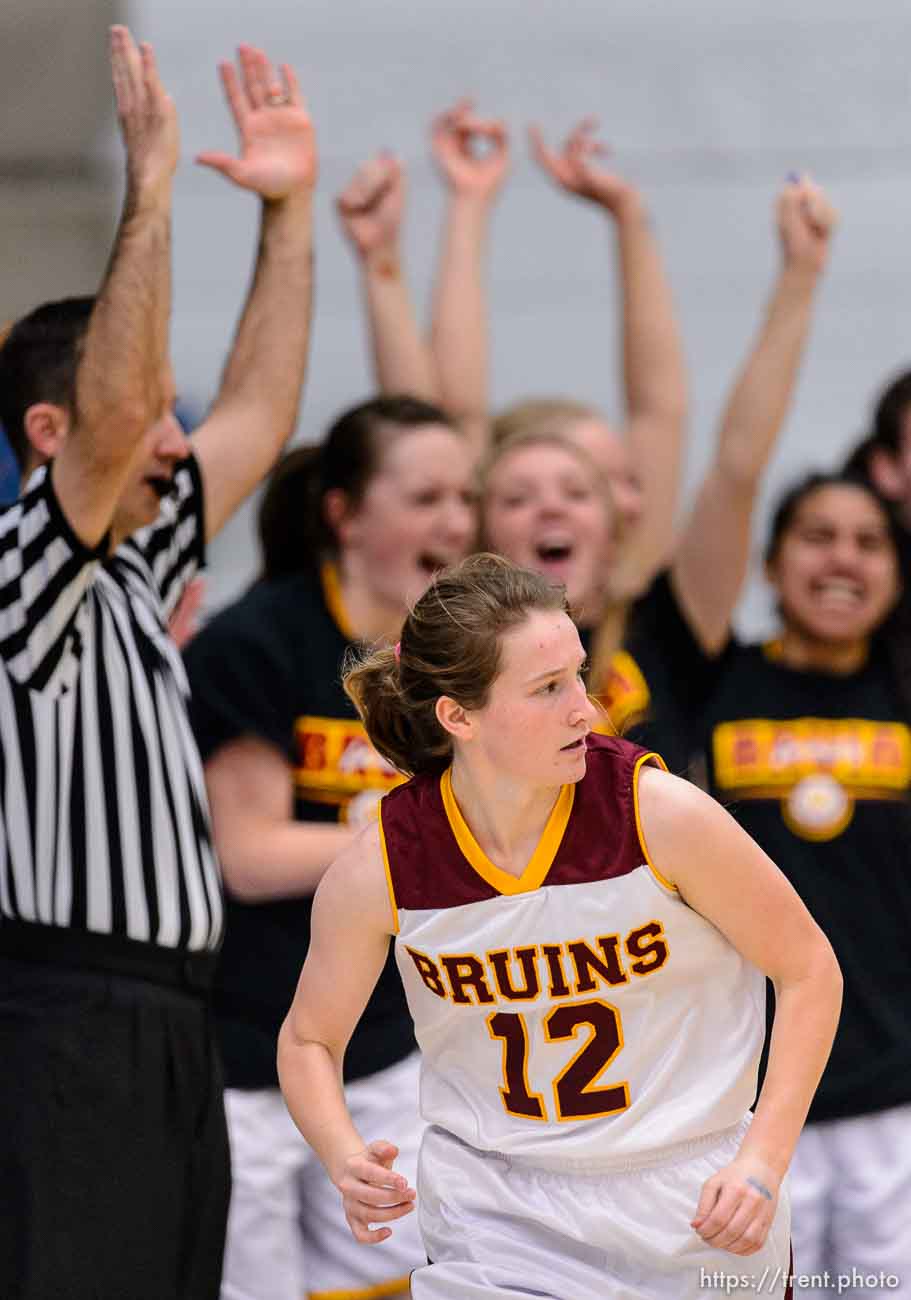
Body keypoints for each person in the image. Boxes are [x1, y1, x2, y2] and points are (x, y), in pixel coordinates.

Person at [277, 553, 842, 1299]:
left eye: (578, 674)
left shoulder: (659, 814)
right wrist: (341, 1152)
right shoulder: (385, 864)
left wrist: (763, 1162)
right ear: (458, 716)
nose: (584, 708)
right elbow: (309, 1037)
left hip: (689, 1196)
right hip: (497, 1209)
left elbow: (807, 970)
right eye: (547, 688)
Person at [0, 27, 317, 1300]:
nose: (179, 443)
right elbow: (129, 413)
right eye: (148, 419)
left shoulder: (133, 558)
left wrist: (287, 217)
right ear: (51, 433)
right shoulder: (31, 561)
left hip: (175, 1017)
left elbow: (262, 410)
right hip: (64, 1013)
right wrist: (153, 193)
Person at [184, 396, 475, 1300]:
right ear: (344, 512)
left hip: (388, 1041)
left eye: (464, 497)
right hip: (249, 1049)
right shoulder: (257, 641)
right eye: (425, 497)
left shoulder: (446, 660)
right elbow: (249, 854)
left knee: (406, 1281)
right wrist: (412, 836)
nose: (455, 522)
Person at [478, 174, 837, 775]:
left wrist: (800, 277)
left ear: (620, 519)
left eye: (578, 491)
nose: (551, 509)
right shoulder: (454, 647)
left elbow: (735, 466)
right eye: (518, 497)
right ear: (477, 526)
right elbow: (446, 409)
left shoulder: (666, 625)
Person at [698, 472, 911, 1294]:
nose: (841, 559)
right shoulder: (710, 686)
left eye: (867, 542)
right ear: (769, 561)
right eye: (816, 536)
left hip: (890, 1099)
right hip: (741, 1105)